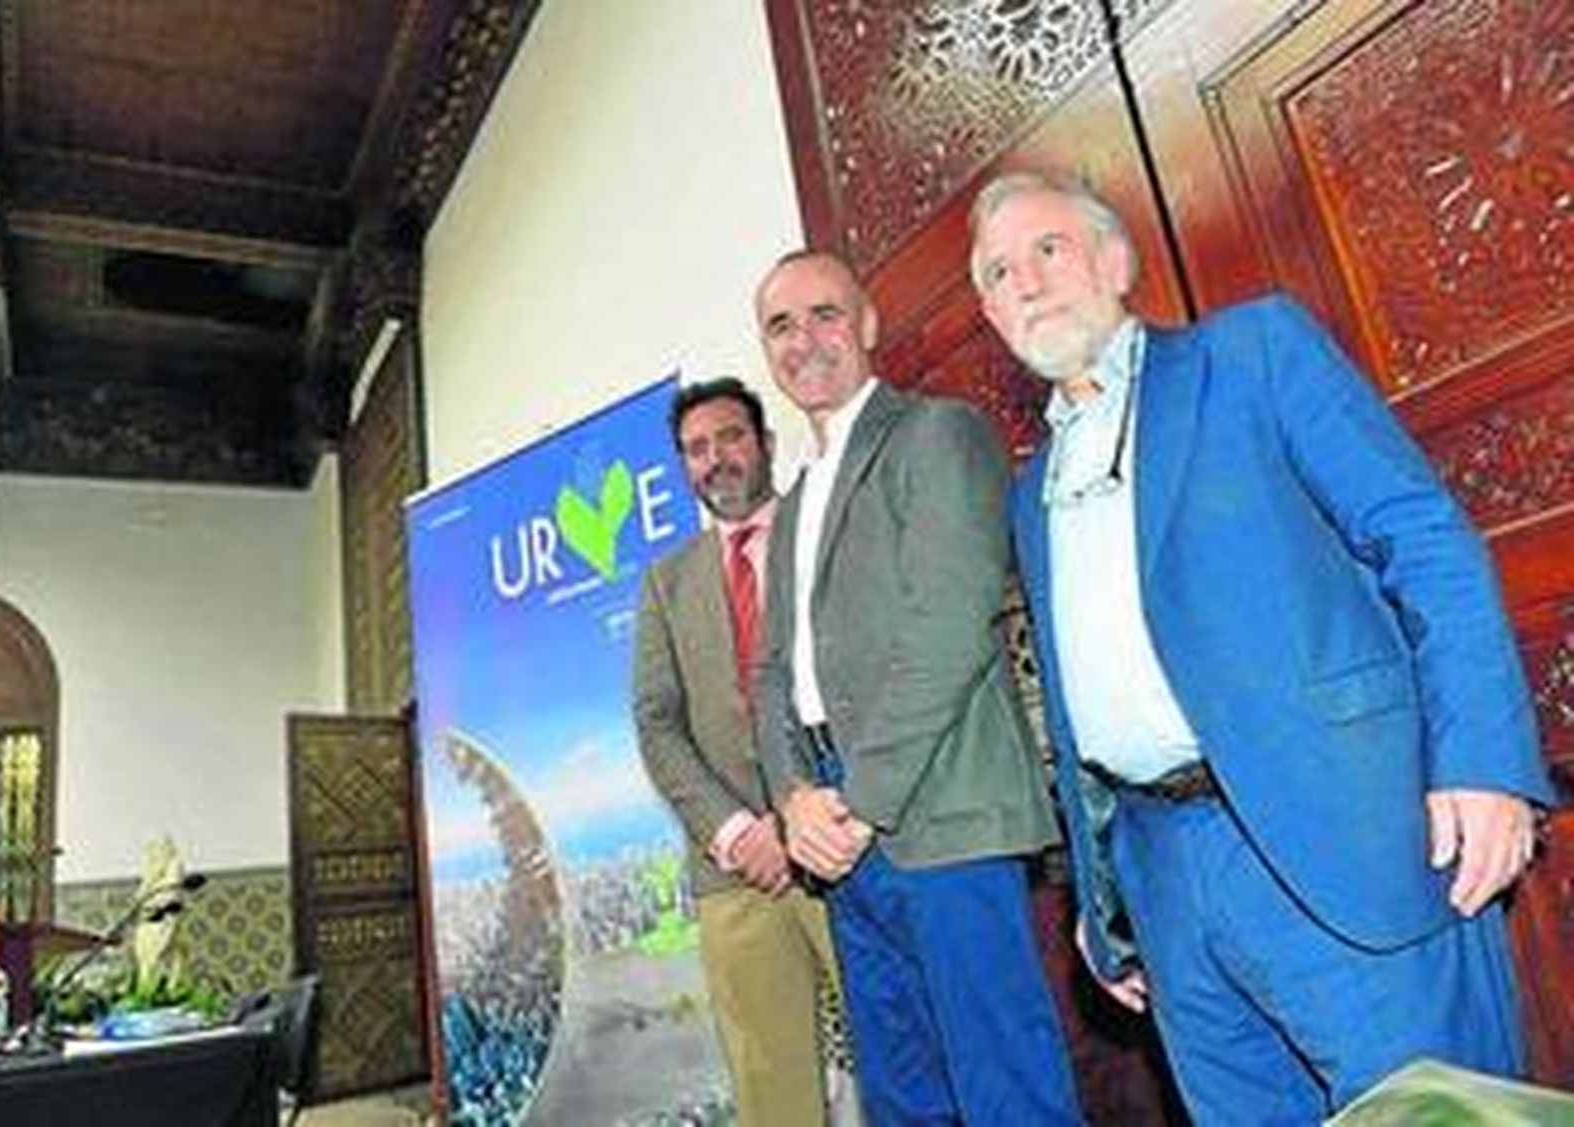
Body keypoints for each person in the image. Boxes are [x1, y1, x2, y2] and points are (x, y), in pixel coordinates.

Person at [969, 169, 1555, 1122]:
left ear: (1117, 263)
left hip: (1345, 839)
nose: (1026, 282)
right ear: (991, 315)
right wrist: (1104, 899)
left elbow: (1424, 537)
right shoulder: (1028, 497)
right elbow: (1079, 707)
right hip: (1168, 893)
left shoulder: (1254, 353)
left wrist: (1486, 761)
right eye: (997, 273)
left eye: (1049, 249)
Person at [751, 249, 1083, 1125]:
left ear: (864, 325)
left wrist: (857, 800)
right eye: (780, 326)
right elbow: (774, 671)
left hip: (939, 816)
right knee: (904, 1098)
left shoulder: (937, 433)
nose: (804, 340)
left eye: (825, 314)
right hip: (837, 835)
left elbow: (949, 623)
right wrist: (793, 796)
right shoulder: (788, 508)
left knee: (1007, 1089)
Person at [631, 378, 841, 1127]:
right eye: (696, 448)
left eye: (730, 437)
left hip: (846, 844)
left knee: (902, 1054)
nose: (715, 458)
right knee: (771, 1089)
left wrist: (808, 818)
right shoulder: (665, 582)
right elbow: (656, 724)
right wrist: (736, 831)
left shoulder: (824, 528)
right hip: (734, 871)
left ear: (765, 443)